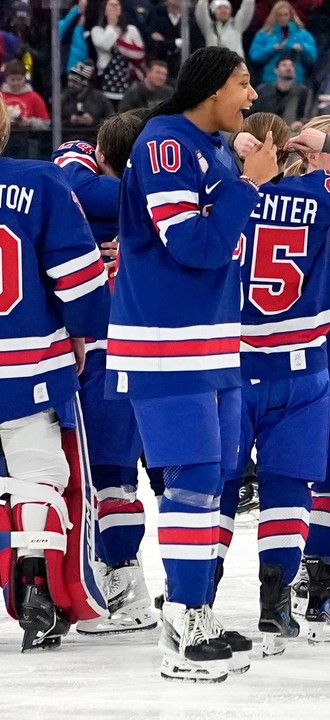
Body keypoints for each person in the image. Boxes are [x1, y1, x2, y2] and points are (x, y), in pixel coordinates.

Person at [105, 45, 278, 683]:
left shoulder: (205, 146)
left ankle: (195, 608)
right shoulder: (164, 144)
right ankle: (182, 621)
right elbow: (195, 245)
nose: (253, 95)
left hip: (208, 340)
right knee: (193, 477)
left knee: (216, 479)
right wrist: (249, 185)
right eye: (243, 83)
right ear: (210, 89)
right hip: (163, 344)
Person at [213, 111, 330, 653]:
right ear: (291, 150)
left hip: (229, 366)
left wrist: (230, 152)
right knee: (288, 488)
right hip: (300, 369)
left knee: (220, 488)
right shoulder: (322, 195)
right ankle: (275, 606)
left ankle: (199, 600)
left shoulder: (221, 190)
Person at [0, 95, 111, 653]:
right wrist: (84, 333)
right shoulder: (39, 183)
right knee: (38, 474)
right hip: (27, 360)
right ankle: (37, 583)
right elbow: (78, 278)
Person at [52, 110, 161, 635]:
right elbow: (74, 181)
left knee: (109, 476)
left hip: (110, 351)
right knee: (109, 476)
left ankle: (117, 580)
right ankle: (113, 578)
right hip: (129, 352)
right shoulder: (162, 199)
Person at [90, 0, 145, 104]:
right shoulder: (97, 31)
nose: (115, 7)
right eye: (111, 5)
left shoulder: (131, 30)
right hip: (106, 83)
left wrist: (120, 43)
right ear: (104, 10)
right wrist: (111, 25)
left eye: (117, 5)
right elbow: (106, 45)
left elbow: (139, 54)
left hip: (129, 83)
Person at [249, 1, 318, 84]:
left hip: (296, 81)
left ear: (291, 15)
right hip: (270, 81)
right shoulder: (264, 34)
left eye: (286, 14)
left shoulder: (303, 34)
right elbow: (254, 56)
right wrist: (271, 49)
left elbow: (313, 57)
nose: (283, 18)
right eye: (280, 15)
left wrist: (303, 48)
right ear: (274, 16)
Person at [251, 56, 313, 131]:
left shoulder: (303, 92)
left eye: (292, 65)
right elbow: (253, 114)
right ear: (276, 70)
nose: (289, 68)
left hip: (292, 133)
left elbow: (308, 115)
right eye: (284, 65)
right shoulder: (263, 91)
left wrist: (300, 123)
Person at [61, 62, 113, 134]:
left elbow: (112, 120)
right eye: (69, 80)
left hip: (93, 137)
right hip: (67, 137)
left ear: (84, 82)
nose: (71, 84)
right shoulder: (63, 97)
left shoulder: (99, 98)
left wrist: (94, 122)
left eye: (75, 82)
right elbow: (52, 122)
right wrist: (69, 121)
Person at [1, 59, 50, 131]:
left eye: (19, 79)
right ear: (6, 79)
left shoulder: (34, 97)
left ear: (24, 78)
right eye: (12, 79)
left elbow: (46, 123)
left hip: (28, 138)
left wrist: (29, 122)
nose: (16, 83)